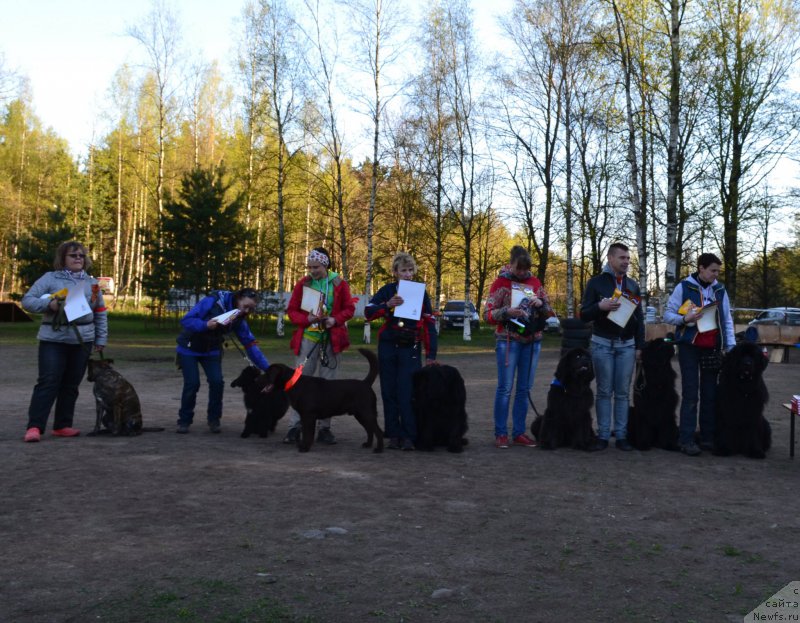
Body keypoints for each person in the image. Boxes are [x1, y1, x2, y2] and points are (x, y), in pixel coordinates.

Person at [21, 241, 108, 442]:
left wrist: (101, 338)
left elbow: (100, 312)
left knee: (71, 385)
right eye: (73, 255)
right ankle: (35, 426)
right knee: (48, 382)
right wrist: (48, 304)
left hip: (83, 341)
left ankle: (62, 425)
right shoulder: (50, 278)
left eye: (81, 255)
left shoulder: (93, 283)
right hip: (53, 339)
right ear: (62, 258)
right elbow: (27, 301)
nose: (78, 258)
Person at [663, 253, 736, 456]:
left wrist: (730, 346)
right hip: (689, 347)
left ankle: (707, 438)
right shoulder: (684, 287)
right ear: (701, 268)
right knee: (691, 393)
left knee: (710, 393)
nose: (715, 275)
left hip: (712, 346)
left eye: (718, 271)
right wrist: (685, 319)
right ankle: (686, 439)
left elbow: (727, 319)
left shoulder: (720, 290)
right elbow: (668, 314)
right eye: (712, 270)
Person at [365, 252, 438, 451]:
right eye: (403, 270)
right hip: (388, 344)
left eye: (410, 270)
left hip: (411, 345)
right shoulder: (387, 290)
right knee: (389, 391)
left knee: (408, 391)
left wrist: (431, 355)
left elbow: (430, 323)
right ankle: (393, 434)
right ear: (395, 272)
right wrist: (387, 305)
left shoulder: (421, 293)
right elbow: (368, 312)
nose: (407, 274)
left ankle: (408, 435)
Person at [282, 247, 355, 445]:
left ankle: (324, 429)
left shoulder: (339, 283)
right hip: (308, 338)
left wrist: (335, 320)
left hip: (332, 340)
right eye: (310, 267)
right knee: (298, 383)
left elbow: (350, 309)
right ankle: (294, 428)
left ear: (325, 264)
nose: (312, 271)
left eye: (316, 267)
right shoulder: (303, 283)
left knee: (328, 386)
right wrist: (306, 319)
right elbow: (292, 311)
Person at [485, 245, 552, 449]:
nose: (522, 272)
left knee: (524, 389)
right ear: (511, 264)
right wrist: (507, 312)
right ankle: (501, 433)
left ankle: (519, 432)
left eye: (525, 269)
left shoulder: (535, 283)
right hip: (508, 341)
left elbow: (549, 311)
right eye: (518, 268)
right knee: (505, 388)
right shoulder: (500, 283)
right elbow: (488, 314)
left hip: (532, 341)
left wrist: (541, 303)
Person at [176, 288, 269, 434]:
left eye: (251, 309)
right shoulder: (212, 301)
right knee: (192, 383)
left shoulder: (238, 319)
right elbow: (186, 320)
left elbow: (250, 344)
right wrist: (205, 325)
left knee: (217, 382)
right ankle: (184, 421)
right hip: (189, 348)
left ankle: (214, 420)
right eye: (245, 306)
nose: (247, 311)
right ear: (238, 298)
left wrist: (268, 369)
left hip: (212, 350)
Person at [580, 242, 644, 452]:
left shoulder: (633, 286)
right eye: (622, 258)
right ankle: (604, 435)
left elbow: (639, 319)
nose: (626, 261)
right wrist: (600, 306)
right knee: (604, 391)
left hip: (627, 345)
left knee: (623, 393)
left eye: (628, 258)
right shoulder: (596, 283)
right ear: (610, 259)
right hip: (602, 343)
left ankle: (622, 435)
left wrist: (639, 346)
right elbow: (583, 314)